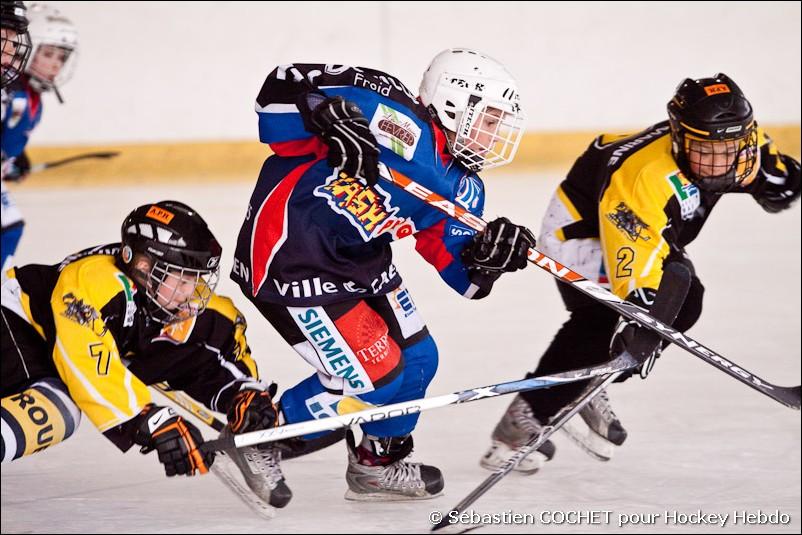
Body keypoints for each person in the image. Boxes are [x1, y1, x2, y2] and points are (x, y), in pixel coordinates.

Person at [230, 48, 536, 503]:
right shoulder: (381, 104)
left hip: (361, 262)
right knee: (376, 376)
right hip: (291, 254)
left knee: (418, 362)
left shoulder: (463, 185)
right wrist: (323, 113)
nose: (495, 137)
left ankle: (376, 464)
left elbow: (464, 278)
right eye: (490, 121)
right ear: (456, 103)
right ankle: (261, 437)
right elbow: (275, 95)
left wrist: (488, 257)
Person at [480, 73, 801, 474]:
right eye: (706, 148)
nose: (721, 161)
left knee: (656, 311)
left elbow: (765, 167)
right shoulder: (645, 176)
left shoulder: (731, 148)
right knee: (628, 314)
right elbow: (636, 261)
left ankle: (581, 383)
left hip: (641, 229)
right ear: (679, 137)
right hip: (581, 232)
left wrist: (782, 179)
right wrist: (641, 313)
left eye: (731, 148)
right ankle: (524, 419)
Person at [1, 200, 288, 505]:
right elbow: (85, 362)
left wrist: (243, 394)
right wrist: (146, 418)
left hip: (42, 359)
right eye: (181, 277)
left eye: (195, 279)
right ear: (142, 266)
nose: (191, 291)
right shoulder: (93, 281)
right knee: (56, 410)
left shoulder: (171, 303)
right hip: (14, 325)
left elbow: (210, 353)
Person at [2, 3, 78, 271]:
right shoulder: (11, 93)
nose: (55, 65)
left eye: (61, 58)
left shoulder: (32, 99)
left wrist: (14, 159)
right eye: (48, 54)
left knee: (10, 226)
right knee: (8, 226)